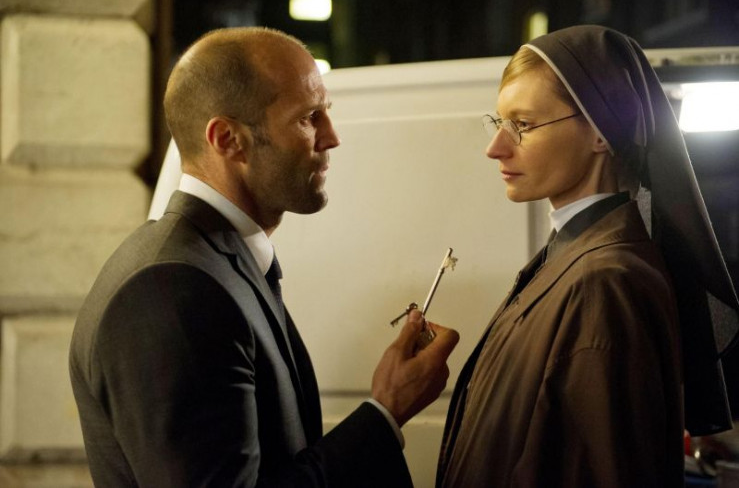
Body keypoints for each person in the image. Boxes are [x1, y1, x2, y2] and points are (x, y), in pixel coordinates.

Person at [69, 27, 459, 487]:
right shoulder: (171, 290)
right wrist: (385, 412)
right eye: (308, 118)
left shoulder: (211, 263)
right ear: (227, 139)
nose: (331, 137)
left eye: (326, 113)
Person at [436, 25, 739, 487]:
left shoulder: (606, 281)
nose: (495, 147)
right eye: (499, 123)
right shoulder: (572, 256)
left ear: (601, 131)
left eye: (523, 125)